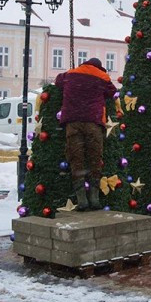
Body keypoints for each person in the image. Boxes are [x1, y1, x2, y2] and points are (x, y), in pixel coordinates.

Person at [54, 58, 117, 211]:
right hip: (92, 122)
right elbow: (112, 92)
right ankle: (94, 198)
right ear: (99, 67)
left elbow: (57, 81)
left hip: (72, 121)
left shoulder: (71, 73)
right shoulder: (102, 76)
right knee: (94, 157)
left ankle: (81, 199)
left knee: (76, 158)